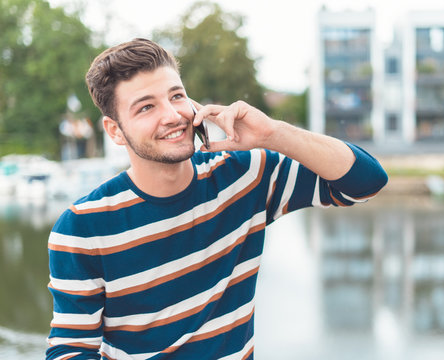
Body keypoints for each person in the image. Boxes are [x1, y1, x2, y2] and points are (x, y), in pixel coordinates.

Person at [46, 38, 388, 360]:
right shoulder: (82, 229)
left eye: (176, 95)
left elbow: (365, 182)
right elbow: (71, 350)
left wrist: (272, 134)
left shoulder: (243, 175)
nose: (172, 115)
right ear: (115, 130)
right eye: (146, 107)